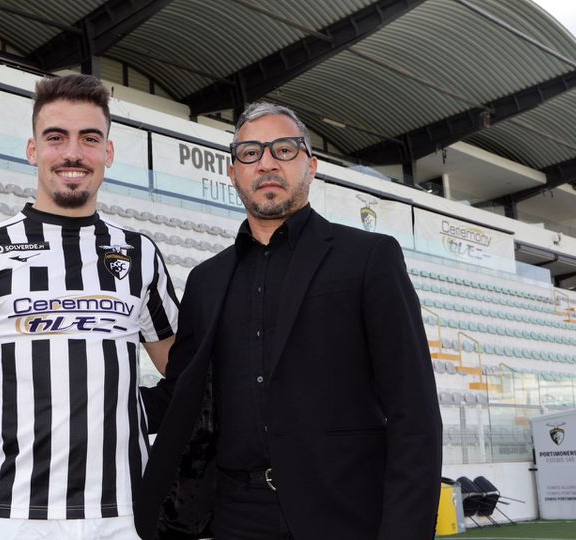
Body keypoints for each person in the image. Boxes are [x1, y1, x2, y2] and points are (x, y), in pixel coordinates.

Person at [135, 102, 441, 540]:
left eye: (283, 149)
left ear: (310, 166)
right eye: (250, 153)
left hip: (345, 515)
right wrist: (96, 406)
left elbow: (414, 412)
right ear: (233, 173)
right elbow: (181, 396)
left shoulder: (370, 259)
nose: (266, 163)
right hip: (236, 517)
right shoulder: (206, 280)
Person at [0, 74, 178, 540]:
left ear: (108, 153)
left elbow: (180, 372)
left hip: (127, 512)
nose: (72, 153)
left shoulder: (140, 254)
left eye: (89, 139)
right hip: (17, 514)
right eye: (56, 138)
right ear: (33, 149)